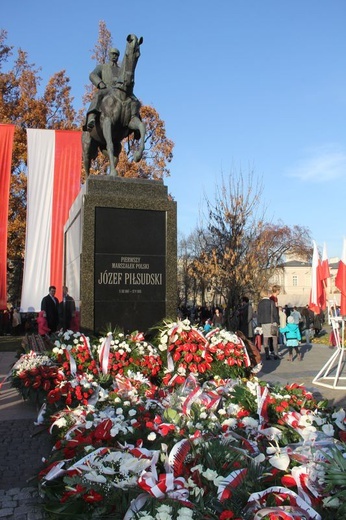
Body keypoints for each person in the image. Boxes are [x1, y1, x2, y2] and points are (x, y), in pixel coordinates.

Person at [257, 289, 279, 360]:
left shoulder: (260, 303)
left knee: (265, 339)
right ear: (267, 294)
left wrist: (259, 324)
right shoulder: (271, 302)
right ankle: (276, 354)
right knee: (274, 339)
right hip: (272, 322)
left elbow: (259, 314)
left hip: (264, 323)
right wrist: (278, 322)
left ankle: (267, 355)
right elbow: (275, 313)